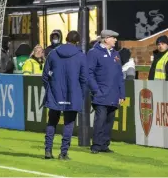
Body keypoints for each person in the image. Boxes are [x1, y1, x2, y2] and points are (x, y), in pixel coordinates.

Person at [42, 31, 88, 160]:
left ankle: (48, 150)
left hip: (55, 93)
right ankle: (63, 153)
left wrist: (50, 89)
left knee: (52, 122)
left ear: (66, 39)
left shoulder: (53, 53)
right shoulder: (80, 56)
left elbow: (45, 76)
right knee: (69, 123)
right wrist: (81, 94)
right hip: (73, 93)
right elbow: (84, 78)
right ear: (77, 41)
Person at [87, 30, 125, 154]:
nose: (115, 40)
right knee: (100, 120)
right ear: (106, 39)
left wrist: (122, 94)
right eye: (113, 38)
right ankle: (96, 145)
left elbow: (120, 75)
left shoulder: (116, 54)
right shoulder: (94, 53)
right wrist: (96, 90)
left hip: (113, 94)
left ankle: (104, 145)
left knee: (109, 121)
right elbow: (89, 73)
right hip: (101, 94)